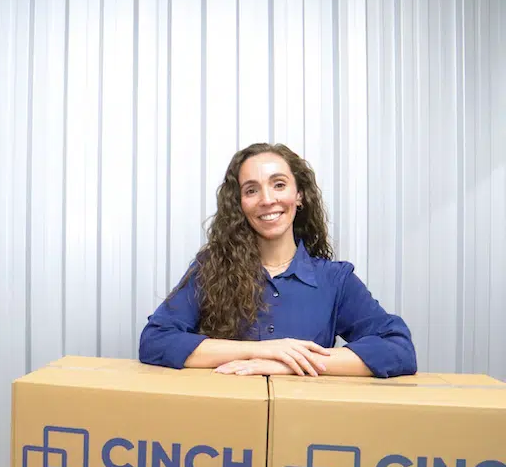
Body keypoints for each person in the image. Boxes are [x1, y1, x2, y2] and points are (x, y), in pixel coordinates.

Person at [138, 142, 417, 378]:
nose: (267, 199)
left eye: (279, 184)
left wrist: (288, 363)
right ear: (240, 205)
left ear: (299, 196)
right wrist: (263, 349)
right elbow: (155, 342)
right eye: (251, 190)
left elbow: (399, 350)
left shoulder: (335, 281)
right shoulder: (210, 269)